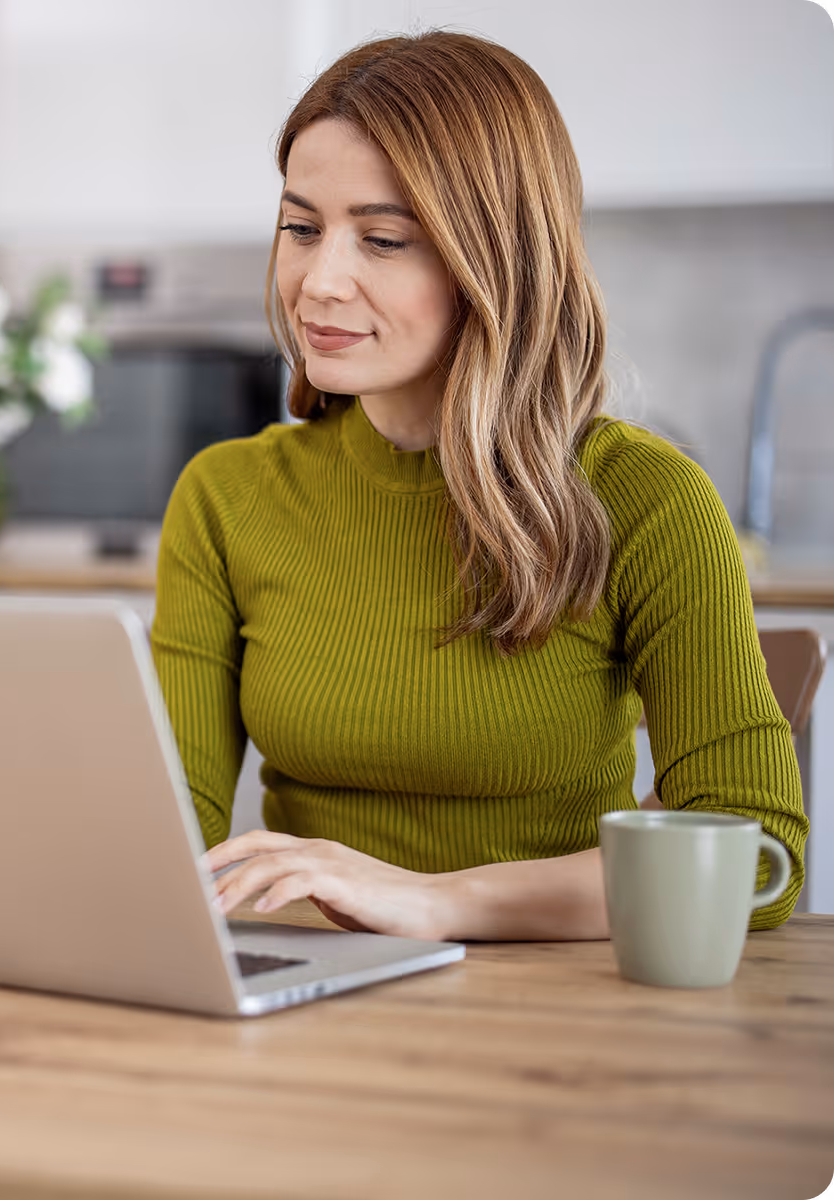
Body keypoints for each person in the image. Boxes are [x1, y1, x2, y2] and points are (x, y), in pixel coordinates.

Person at [149, 30, 807, 942]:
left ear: (495, 260)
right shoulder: (226, 496)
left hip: (557, 1012)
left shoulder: (650, 502)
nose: (319, 283)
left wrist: (436, 902)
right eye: (301, 228)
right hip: (306, 997)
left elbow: (758, 852)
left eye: (382, 239)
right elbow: (164, 836)